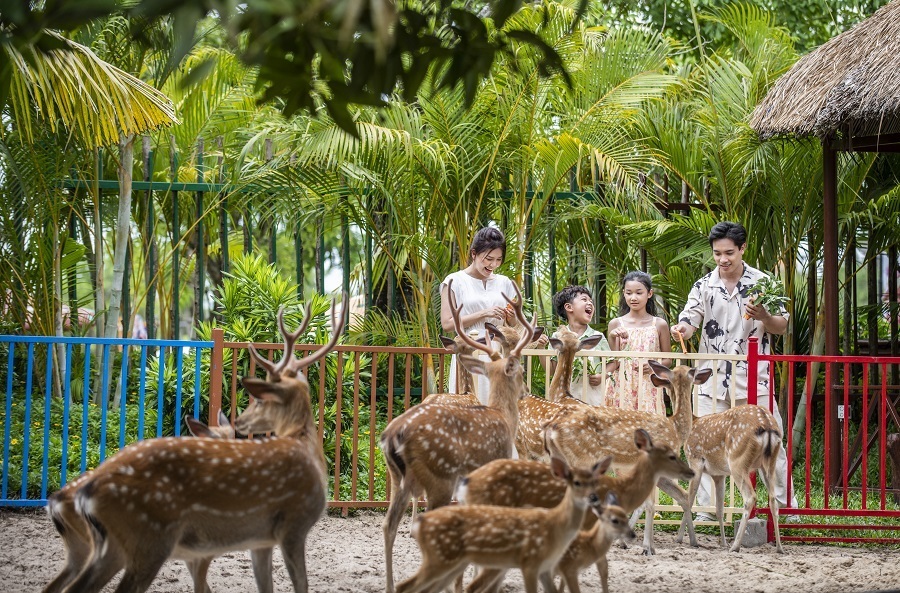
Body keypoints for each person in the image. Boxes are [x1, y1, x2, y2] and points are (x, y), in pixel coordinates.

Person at [670, 221, 798, 519]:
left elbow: (782, 326)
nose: (723, 259)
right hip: (710, 379)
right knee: (701, 445)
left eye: (729, 252)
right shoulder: (703, 285)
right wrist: (683, 329)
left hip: (754, 379)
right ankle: (707, 512)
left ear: (743, 249)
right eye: (717, 254)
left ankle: (786, 508)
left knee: (771, 442)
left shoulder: (764, 283)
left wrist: (764, 314)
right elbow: (690, 320)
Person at [440, 227, 516, 403]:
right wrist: (483, 313)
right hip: (469, 350)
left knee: (498, 407)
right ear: (474, 254)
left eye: (498, 260)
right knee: (468, 408)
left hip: (498, 351)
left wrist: (511, 314)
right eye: (488, 259)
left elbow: (512, 323)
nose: (493, 265)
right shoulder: (454, 281)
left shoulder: (504, 283)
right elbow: (447, 324)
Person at [605, 271, 671, 413]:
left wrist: (655, 366)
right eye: (629, 293)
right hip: (622, 384)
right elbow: (614, 360)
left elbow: (668, 359)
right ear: (624, 293)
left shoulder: (659, 324)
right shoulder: (615, 323)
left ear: (649, 293)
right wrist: (611, 336)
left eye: (639, 293)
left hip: (648, 383)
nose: (633, 298)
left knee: (649, 426)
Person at [536, 286, 610, 405]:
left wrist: (602, 375)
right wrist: (541, 348)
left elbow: (612, 362)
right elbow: (551, 370)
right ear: (569, 307)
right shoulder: (557, 336)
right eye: (584, 299)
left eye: (591, 301)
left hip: (593, 397)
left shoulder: (597, 336)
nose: (589, 303)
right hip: (565, 396)